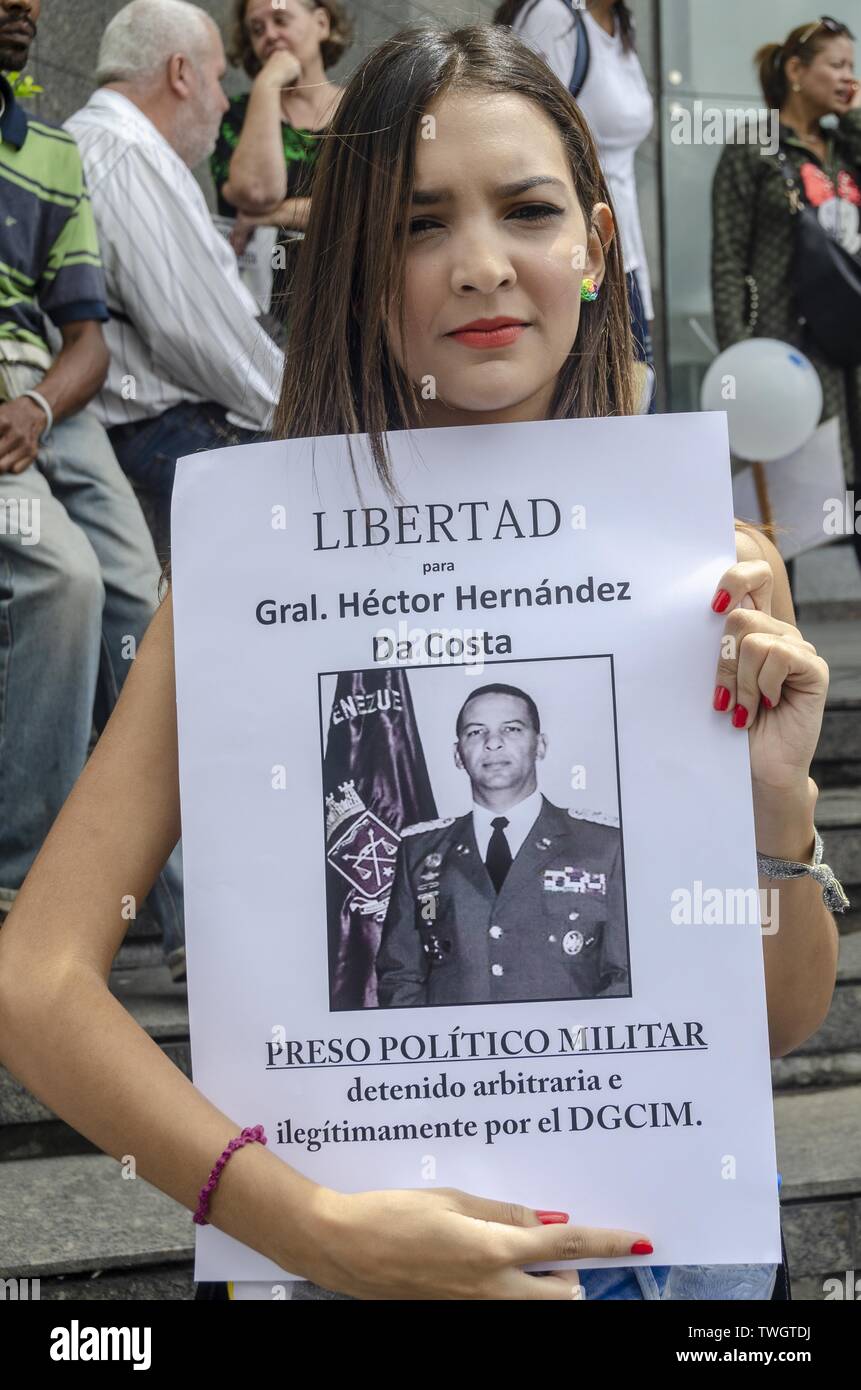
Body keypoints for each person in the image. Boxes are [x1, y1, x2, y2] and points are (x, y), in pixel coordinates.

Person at [0, 24, 842, 1303]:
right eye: (418, 225)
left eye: (528, 210)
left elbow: (772, 1021)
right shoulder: (247, 581)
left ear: (595, 248)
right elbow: (35, 982)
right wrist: (310, 1226)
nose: (481, 267)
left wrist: (778, 801)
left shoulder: (707, 574)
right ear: (353, 272)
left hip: (678, 1270)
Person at [0, 0, 185, 979]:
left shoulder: (51, 153)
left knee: (147, 600)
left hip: (50, 400)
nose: (22, 7)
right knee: (63, 583)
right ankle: (25, 887)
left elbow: (89, 339)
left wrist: (35, 404)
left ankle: (193, 913)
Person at [65, 0, 284, 559]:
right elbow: (193, 330)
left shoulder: (100, 143)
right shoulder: (126, 151)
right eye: (215, 81)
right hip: (166, 433)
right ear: (180, 73)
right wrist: (298, 409)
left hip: (160, 428)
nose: (219, 103)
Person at [711, 18, 861, 572]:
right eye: (837, 65)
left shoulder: (846, 144)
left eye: (853, 65)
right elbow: (727, 257)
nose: (850, 77)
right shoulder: (754, 147)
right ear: (797, 71)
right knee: (788, 515)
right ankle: (782, 641)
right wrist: (740, 361)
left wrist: (855, 118)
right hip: (786, 353)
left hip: (852, 358)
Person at [376, 684, 628, 1008]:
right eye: (475, 732)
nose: (493, 743)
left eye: (511, 729)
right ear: (457, 755)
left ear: (540, 745)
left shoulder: (604, 847)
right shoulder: (420, 850)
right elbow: (400, 979)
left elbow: (624, 977)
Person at [495, 0, 656, 380]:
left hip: (621, 255)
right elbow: (520, 138)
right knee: (585, 392)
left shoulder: (619, 24)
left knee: (626, 398)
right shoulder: (554, 15)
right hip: (574, 257)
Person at [211, 0, 351, 328]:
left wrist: (272, 215)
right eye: (257, 30)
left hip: (347, 303)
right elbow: (255, 192)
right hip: (258, 315)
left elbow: (371, 210)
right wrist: (268, 85)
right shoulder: (234, 115)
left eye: (280, 19)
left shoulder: (360, 113)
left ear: (321, 23)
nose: (270, 36)